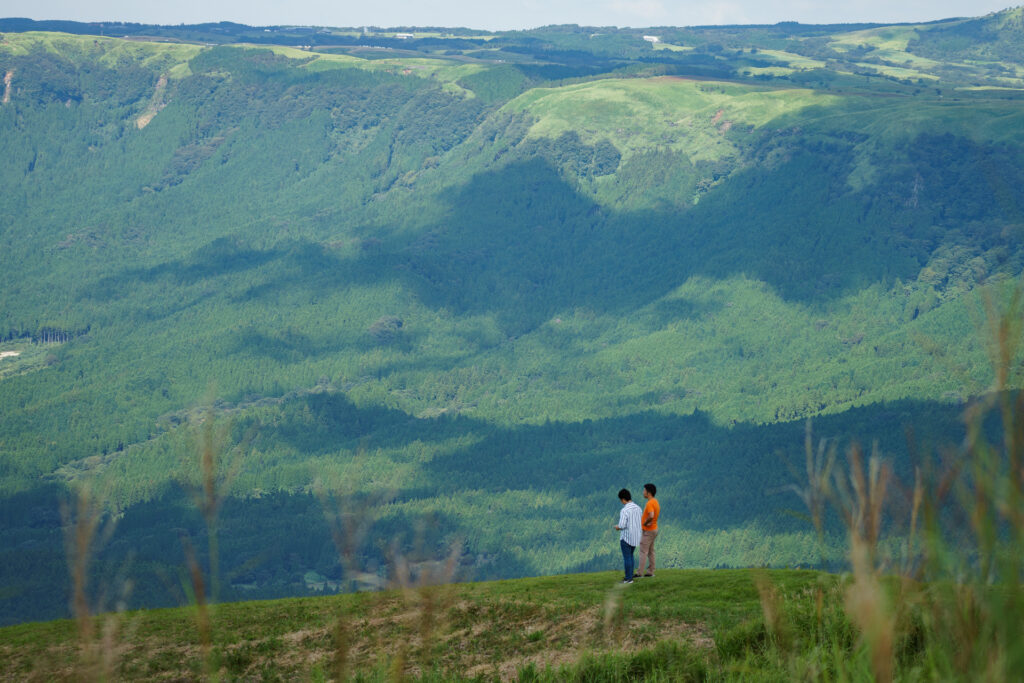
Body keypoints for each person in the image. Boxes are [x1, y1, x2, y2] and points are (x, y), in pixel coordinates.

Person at [613, 488, 642, 584]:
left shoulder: (624, 510)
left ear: (622, 499)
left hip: (626, 537)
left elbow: (622, 525)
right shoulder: (638, 508)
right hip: (636, 537)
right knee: (631, 556)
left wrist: (617, 527)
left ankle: (628, 578)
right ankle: (630, 576)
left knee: (627, 557)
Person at [635, 483, 660, 578]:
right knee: (650, 551)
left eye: (644, 490)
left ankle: (639, 573)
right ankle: (650, 571)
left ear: (648, 492)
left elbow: (651, 515)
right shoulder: (655, 501)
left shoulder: (649, 503)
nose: (643, 492)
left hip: (648, 531)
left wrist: (645, 523)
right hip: (654, 529)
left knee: (643, 551)